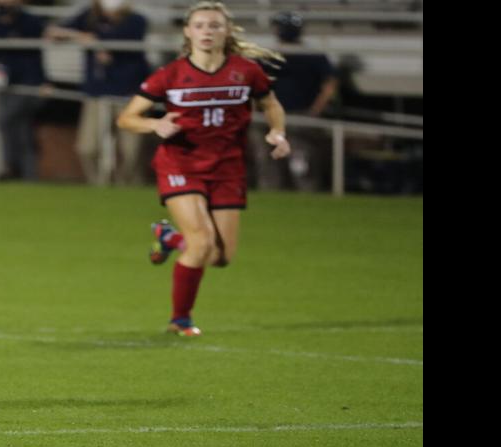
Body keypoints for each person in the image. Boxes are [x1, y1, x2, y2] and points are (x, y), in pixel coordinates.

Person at [115, 2, 287, 337]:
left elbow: (270, 103)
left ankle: (169, 238)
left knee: (221, 256)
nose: (206, 32)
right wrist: (154, 126)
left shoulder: (245, 71)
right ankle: (180, 319)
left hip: (227, 167)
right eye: (199, 25)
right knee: (202, 242)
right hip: (180, 164)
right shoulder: (171, 75)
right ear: (187, 31)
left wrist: (277, 131)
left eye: (214, 25)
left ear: (226, 31)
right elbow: (126, 118)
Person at [46, 0, 150, 185]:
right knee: (88, 147)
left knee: (131, 151)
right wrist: (83, 37)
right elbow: (54, 31)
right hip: (97, 93)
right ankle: (98, 186)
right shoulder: (89, 17)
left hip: (129, 94)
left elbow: (119, 44)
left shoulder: (136, 20)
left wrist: (97, 43)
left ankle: (128, 188)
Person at [256, 11, 337, 192]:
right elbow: (254, 83)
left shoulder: (311, 55)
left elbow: (330, 84)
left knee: (301, 159)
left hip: (299, 115)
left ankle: (306, 195)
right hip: (273, 116)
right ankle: (272, 194)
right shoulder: (269, 56)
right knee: (270, 158)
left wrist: (315, 110)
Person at [0, 0, 48, 180]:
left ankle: (11, 167)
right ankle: (26, 173)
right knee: (22, 131)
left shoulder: (30, 20)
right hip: (3, 83)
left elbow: (35, 53)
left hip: (28, 84)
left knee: (5, 120)